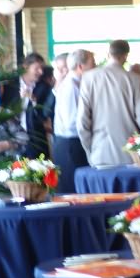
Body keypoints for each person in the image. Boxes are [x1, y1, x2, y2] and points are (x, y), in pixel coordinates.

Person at [77, 40, 140, 167]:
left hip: (100, 151)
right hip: (131, 153)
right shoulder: (136, 80)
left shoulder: (89, 78)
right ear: (126, 56)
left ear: (108, 54)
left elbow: (82, 122)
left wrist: (90, 150)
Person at [53, 49, 95, 193]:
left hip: (74, 144)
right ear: (80, 67)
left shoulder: (76, 84)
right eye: (92, 64)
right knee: (73, 192)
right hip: (70, 146)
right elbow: (71, 122)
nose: (95, 67)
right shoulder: (71, 87)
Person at [0, 52, 50, 159]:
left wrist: (33, 100)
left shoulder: (44, 88)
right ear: (26, 67)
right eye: (37, 68)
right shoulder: (9, 85)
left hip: (36, 141)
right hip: (12, 140)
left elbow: (44, 116)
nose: (41, 72)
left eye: (42, 68)